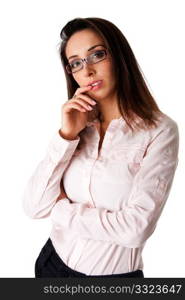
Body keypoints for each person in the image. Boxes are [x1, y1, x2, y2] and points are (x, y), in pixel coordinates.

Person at [22, 17, 179, 278]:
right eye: (76, 63)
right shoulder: (77, 126)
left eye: (97, 54)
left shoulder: (160, 131)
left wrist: (61, 209)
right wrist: (66, 135)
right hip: (51, 265)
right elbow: (34, 206)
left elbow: (135, 229)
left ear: (118, 56)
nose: (88, 71)